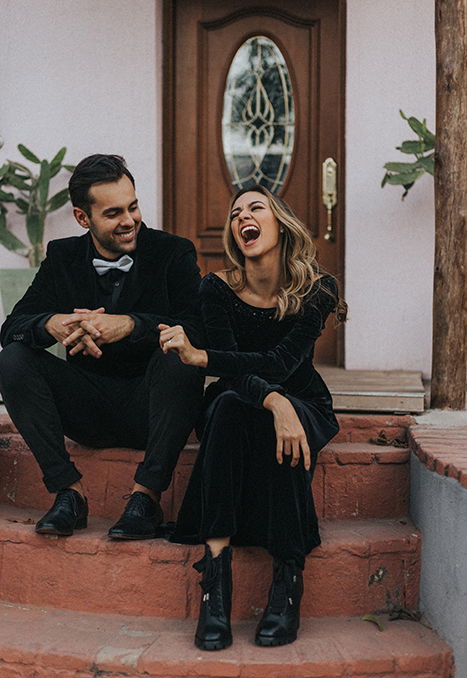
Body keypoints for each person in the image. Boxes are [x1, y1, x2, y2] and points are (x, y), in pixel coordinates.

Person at [158, 185, 347, 650]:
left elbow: (282, 364)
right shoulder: (217, 288)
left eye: (256, 208)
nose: (244, 216)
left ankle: (287, 577)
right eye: (236, 212)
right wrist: (273, 403)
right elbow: (239, 372)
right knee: (226, 405)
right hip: (242, 402)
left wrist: (207, 359)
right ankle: (215, 582)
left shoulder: (318, 288)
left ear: (279, 223)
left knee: (280, 424)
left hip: (305, 400)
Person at [0, 154, 204, 539]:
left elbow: (201, 329)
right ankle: (68, 494)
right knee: (12, 359)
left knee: (182, 354)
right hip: (87, 409)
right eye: (113, 213)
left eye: (133, 206)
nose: (129, 220)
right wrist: (52, 323)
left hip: (154, 408)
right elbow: (12, 327)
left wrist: (129, 325)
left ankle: (145, 498)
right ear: (82, 218)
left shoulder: (173, 252)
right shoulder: (63, 257)